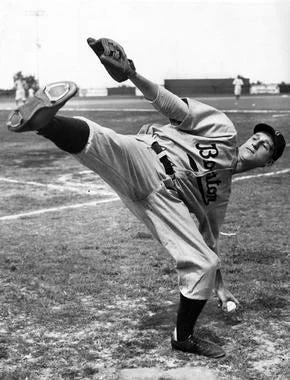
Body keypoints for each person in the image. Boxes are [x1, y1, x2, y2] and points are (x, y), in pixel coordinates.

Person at [7, 38, 286, 358]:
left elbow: (210, 239)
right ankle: (46, 123)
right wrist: (132, 75)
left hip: (165, 203)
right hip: (149, 156)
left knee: (204, 263)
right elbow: (174, 106)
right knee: (105, 141)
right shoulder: (223, 131)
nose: (255, 144)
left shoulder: (220, 194)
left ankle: (183, 337)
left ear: (268, 162)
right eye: (257, 137)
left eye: (264, 146)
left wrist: (220, 287)